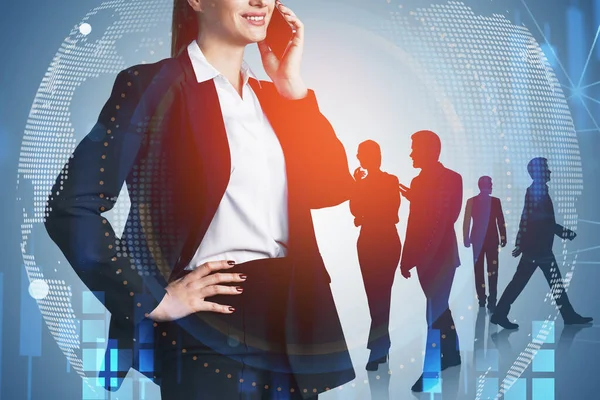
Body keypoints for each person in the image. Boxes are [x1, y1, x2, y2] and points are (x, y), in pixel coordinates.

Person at [44, 0, 356, 398]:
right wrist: (152, 299)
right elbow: (71, 206)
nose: (261, 2)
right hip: (209, 325)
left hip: (291, 321)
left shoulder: (273, 97)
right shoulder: (151, 87)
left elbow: (331, 186)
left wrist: (292, 90)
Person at [490, 158, 592, 330]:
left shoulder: (537, 191)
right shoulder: (537, 192)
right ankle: (568, 316)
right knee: (547, 282)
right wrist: (564, 232)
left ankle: (500, 314)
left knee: (529, 282)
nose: (549, 172)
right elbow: (538, 220)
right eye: (546, 169)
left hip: (536, 248)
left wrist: (521, 243)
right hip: (538, 249)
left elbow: (527, 217)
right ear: (539, 172)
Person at [398, 130, 463, 393]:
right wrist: (407, 258)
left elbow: (446, 218)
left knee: (433, 314)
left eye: (414, 147)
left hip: (441, 258)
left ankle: (431, 372)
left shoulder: (451, 178)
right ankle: (453, 355)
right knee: (439, 308)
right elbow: (415, 222)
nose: (411, 153)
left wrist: (423, 255)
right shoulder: (417, 182)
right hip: (424, 260)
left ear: (430, 150)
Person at [349, 140, 401, 371]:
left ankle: (378, 349)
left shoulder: (390, 180)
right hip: (369, 240)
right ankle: (382, 345)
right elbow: (354, 209)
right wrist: (356, 185)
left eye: (362, 154)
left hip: (384, 239)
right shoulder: (362, 183)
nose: (360, 158)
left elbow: (389, 209)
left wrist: (363, 207)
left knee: (381, 295)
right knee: (375, 296)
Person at [463, 176, 507, 311]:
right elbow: (467, 221)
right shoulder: (491, 201)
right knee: (486, 270)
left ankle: (487, 299)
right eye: (490, 184)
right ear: (485, 185)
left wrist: (466, 238)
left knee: (484, 270)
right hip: (485, 239)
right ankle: (486, 299)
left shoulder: (481, 201)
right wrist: (503, 236)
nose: (492, 185)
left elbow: (500, 219)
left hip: (483, 239)